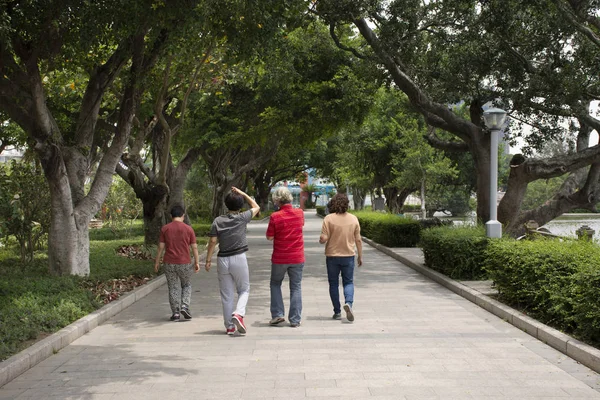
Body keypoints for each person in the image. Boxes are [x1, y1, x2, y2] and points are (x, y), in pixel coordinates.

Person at [206, 187, 260, 335]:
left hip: (222, 259)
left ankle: (230, 326)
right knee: (244, 289)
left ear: (226, 204)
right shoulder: (243, 217)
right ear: (240, 206)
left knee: (226, 295)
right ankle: (238, 313)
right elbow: (256, 207)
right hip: (239, 257)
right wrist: (243, 193)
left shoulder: (218, 221)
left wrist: (208, 260)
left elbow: (212, 241)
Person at [319, 193, 363, 322]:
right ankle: (348, 303)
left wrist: (322, 240)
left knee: (333, 284)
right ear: (347, 204)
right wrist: (360, 256)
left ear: (333, 204)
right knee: (348, 282)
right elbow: (358, 240)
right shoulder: (353, 219)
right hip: (348, 256)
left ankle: (337, 311)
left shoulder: (328, 219)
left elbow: (324, 238)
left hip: (332, 256)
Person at [266, 186, 305, 328]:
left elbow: (269, 237)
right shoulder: (300, 213)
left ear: (277, 200)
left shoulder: (275, 216)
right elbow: (301, 226)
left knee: (275, 283)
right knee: (296, 286)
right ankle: (295, 320)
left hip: (280, 257)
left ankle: (277, 315)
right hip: (297, 257)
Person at [154, 205, 200, 321]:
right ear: (183, 215)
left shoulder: (165, 228)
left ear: (171, 216)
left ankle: (175, 313)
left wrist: (157, 261)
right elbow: (194, 247)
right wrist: (197, 262)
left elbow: (161, 247)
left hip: (169, 263)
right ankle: (185, 305)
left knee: (173, 287)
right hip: (185, 262)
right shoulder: (188, 229)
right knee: (186, 284)